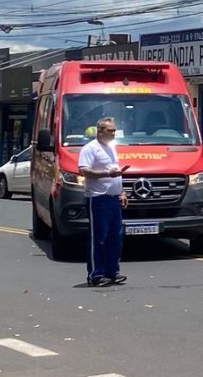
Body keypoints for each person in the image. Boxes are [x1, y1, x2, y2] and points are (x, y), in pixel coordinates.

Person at [78, 117, 130, 287]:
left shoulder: (112, 148)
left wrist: (121, 191)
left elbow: (115, 170)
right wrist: (107, 175)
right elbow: (84, 171)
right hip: (98, 198)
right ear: (100, 131)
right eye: (110, 130)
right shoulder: (90, 149)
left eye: (115, 130)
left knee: (116, 237)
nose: (114, 133)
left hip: (113, 198)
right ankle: (96, 274)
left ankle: (112, 272)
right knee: (99, 238)